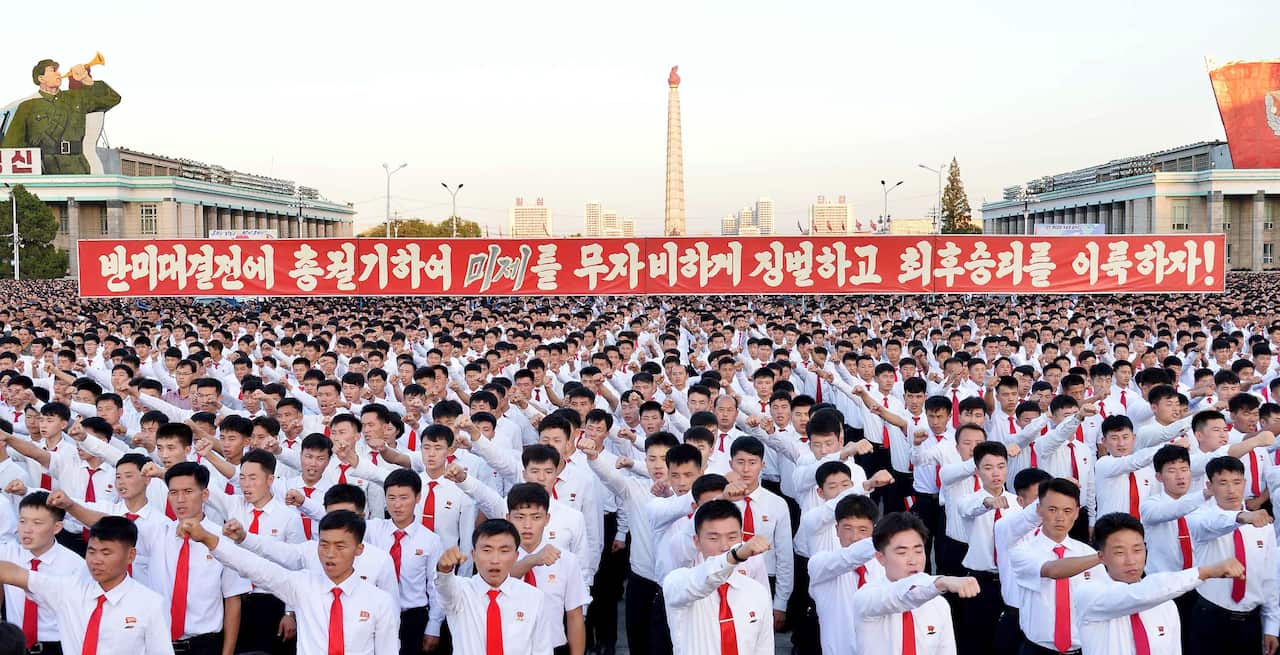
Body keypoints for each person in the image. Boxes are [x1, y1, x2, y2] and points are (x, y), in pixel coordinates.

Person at [181, 509, 400, 655]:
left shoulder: (379, 602)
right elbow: (254, 567)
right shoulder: (303, 586)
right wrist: (208, 538)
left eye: (340, 546)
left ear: (359, 549)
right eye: (324, 545)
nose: (330, 554)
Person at [1075, 512, 1244, 655]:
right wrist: (1205, 572)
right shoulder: (1090, 594)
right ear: (1101, 557)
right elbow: (1138, 595)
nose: (1131, 560)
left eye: (1137, 550)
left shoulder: (1165, 603)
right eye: (1119, 552)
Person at [0, 516, 173, 654]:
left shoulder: (150, 604)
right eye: (91, 551)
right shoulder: (68, 591)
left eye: (106, 553)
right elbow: (14, 573)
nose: (96, 560)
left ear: (130, 555)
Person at [1184, 456, 1280, 655]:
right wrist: (1242, 517)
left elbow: (1270, 578)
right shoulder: (1199, 517)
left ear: (1245, 483)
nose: (1231, 490)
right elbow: (1212, 523)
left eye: (1237, 482)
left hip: (1249, 621)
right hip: (1210, 617)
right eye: (1223, 483)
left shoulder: (1264, 526)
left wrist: (1271, 626)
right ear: (1210, 485)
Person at [851, 511, 980, 655]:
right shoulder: (866, 597)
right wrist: (941, 582)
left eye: (918, 551)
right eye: (902, 553)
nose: (913, 560)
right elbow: (900, 596)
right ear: (880, 557)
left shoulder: (939, 604)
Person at [661, 499, 775, 655]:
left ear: (742, 537)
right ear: (697, 541)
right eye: (714, 538)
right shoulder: (678, 582)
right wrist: (734, 555)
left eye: (732, 537)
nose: (724, 546)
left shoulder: (756, 591)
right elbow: (705, 579)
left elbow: (764, 649)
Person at [1009, 477, 1104, 655]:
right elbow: (1052, 570)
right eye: (1052, 509)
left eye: (1067, 511)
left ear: (1077, 513)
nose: (1060, 517)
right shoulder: (1023, 550)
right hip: (1038, 650)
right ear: (1039, 510)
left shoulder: (1086, 553)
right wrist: (1103, 557)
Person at [434, 518, 558, 655]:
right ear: (474, 555)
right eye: (487, 550)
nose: (495, 560)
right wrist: (444, 570)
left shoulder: (534, 597)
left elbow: (543, 649)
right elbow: (444, 587)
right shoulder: (460, 592)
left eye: (504, 551)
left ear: (516, 555)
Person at [504, 482, 591, 655]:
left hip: (554, 647)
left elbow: (574, 616)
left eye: (536, 517)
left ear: (547, 519)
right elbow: (501, 580)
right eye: (520, 517)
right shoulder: (497, 560)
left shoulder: (566, 561)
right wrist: (532, 560)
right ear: (508, 518)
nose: (527, 525)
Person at [0, 491, 88, 654]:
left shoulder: (76, 566)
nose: (27, 530)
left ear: (57, 527)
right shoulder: (7, 553)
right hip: (14, 645)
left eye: (37, 523)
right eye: (22, 521)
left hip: (56, 646)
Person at [1, 58, 121, 174]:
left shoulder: (76, 98)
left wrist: (86, 79)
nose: (58, 73)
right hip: (43, 168)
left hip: (76, 166)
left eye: (58, 70)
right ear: (41, 78)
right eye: (53, 71)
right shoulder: (27, 106)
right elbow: (11, 146)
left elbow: (113, 98)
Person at [807, 493, 881, 655]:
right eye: (847, 528)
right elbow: (849, 557)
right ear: (836, 529)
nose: (854, 537)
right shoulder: (821, 565)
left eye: (863, 529)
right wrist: (885, 539)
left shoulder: (885, 568)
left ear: (873, 530)